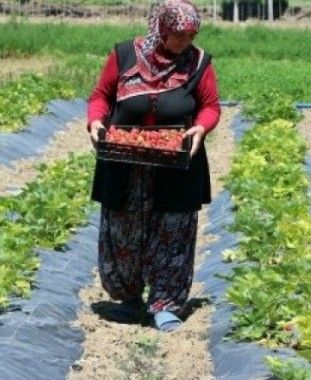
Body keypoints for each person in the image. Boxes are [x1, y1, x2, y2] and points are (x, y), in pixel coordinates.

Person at [86, 0, 221, 332]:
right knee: (123, 230)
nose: (183, 42)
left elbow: (211, 106)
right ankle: (129, 300)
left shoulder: (198, 63)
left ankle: (165, 303)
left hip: (176, 162)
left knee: (173, 231)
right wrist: (95, 123)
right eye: (177, 35)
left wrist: (200, 129)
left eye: (190, 35)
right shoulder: (125, 55)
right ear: (161, 28)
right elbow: (101, 96)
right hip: (125, 160)